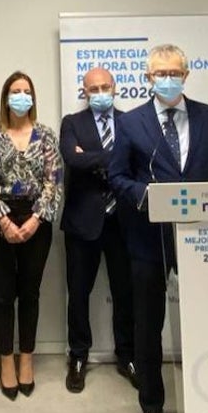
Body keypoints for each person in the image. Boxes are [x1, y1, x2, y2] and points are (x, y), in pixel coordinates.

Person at [109, 44, 208, 413]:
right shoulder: (130, 122)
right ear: (147, 78)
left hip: (200, 237)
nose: (167, 78)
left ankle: (204, 403)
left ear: (186, 74)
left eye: (174, 72)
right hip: (148, 237)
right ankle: (151, 407)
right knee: (148, 325)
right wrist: (146, 196)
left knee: (202, 321)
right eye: (158, 73)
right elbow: (117, 177)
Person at [0, 71, 63, 399]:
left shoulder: (46, 135)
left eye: (27, 91)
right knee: (2, 295)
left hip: (36, 222)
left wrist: (36, 218)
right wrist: (4, 222)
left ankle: (26, 359)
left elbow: (53, 180)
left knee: (29, 294)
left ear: (33, 98)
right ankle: (6, 362)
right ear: (5, 97)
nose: (21, 96)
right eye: (15, 91)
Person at [59, 67, 134, 393]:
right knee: (78, 293)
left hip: (123, 222)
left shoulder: (132, 122)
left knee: (125, 293)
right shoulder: (71, 123)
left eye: (105, 86)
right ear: (84, 91)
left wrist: (92, 157)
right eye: (94, 88)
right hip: (82, 222)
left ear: (115, 88)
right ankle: (78, 356)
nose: (100, 92)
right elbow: (72, 161)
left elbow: (137, 162)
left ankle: (127, 353)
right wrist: (115, 157)